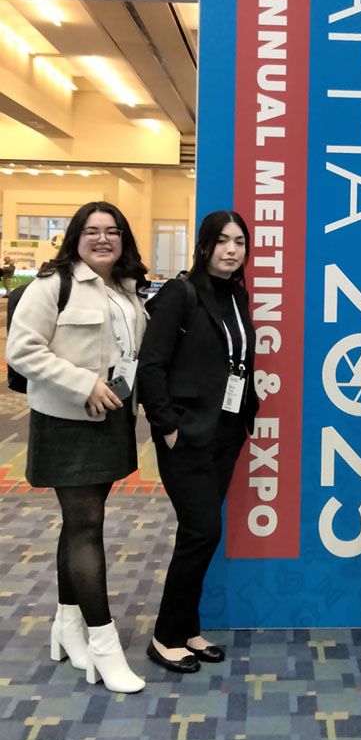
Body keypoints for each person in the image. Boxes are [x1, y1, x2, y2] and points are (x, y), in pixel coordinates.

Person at [6, 201, 149, 693]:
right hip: (68, 421)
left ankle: (67, 626)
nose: (103, 239)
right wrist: (82, 383)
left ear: (124, 239)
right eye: (92, 232)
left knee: (79, 525)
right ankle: (104, 646)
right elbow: (21, 350)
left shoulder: (126, 290)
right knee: (88, 529)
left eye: (113, 231)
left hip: (111, 420)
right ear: (76, 237)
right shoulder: (53, 285)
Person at [138, 210, 258, 674]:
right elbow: (151, 366)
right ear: (204, 246)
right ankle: (165, 636)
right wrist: (167, 426)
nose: (232, 250)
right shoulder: (179, 294)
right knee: (202, 531)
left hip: (225, 433)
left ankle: (187, 629)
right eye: (223, 241)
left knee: (200, 535)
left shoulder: (237, 295)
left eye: (240, 242)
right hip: (186, 434)